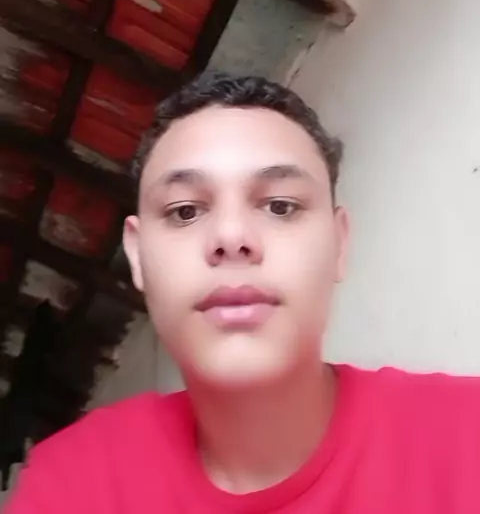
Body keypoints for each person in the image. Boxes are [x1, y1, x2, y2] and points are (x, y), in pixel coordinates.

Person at [6, 72, 480, 513]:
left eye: (280, 206)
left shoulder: (467, 436)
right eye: (185, 211)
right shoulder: (73, 486)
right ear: (137, 256)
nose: (231, 237)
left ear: (338, 244)